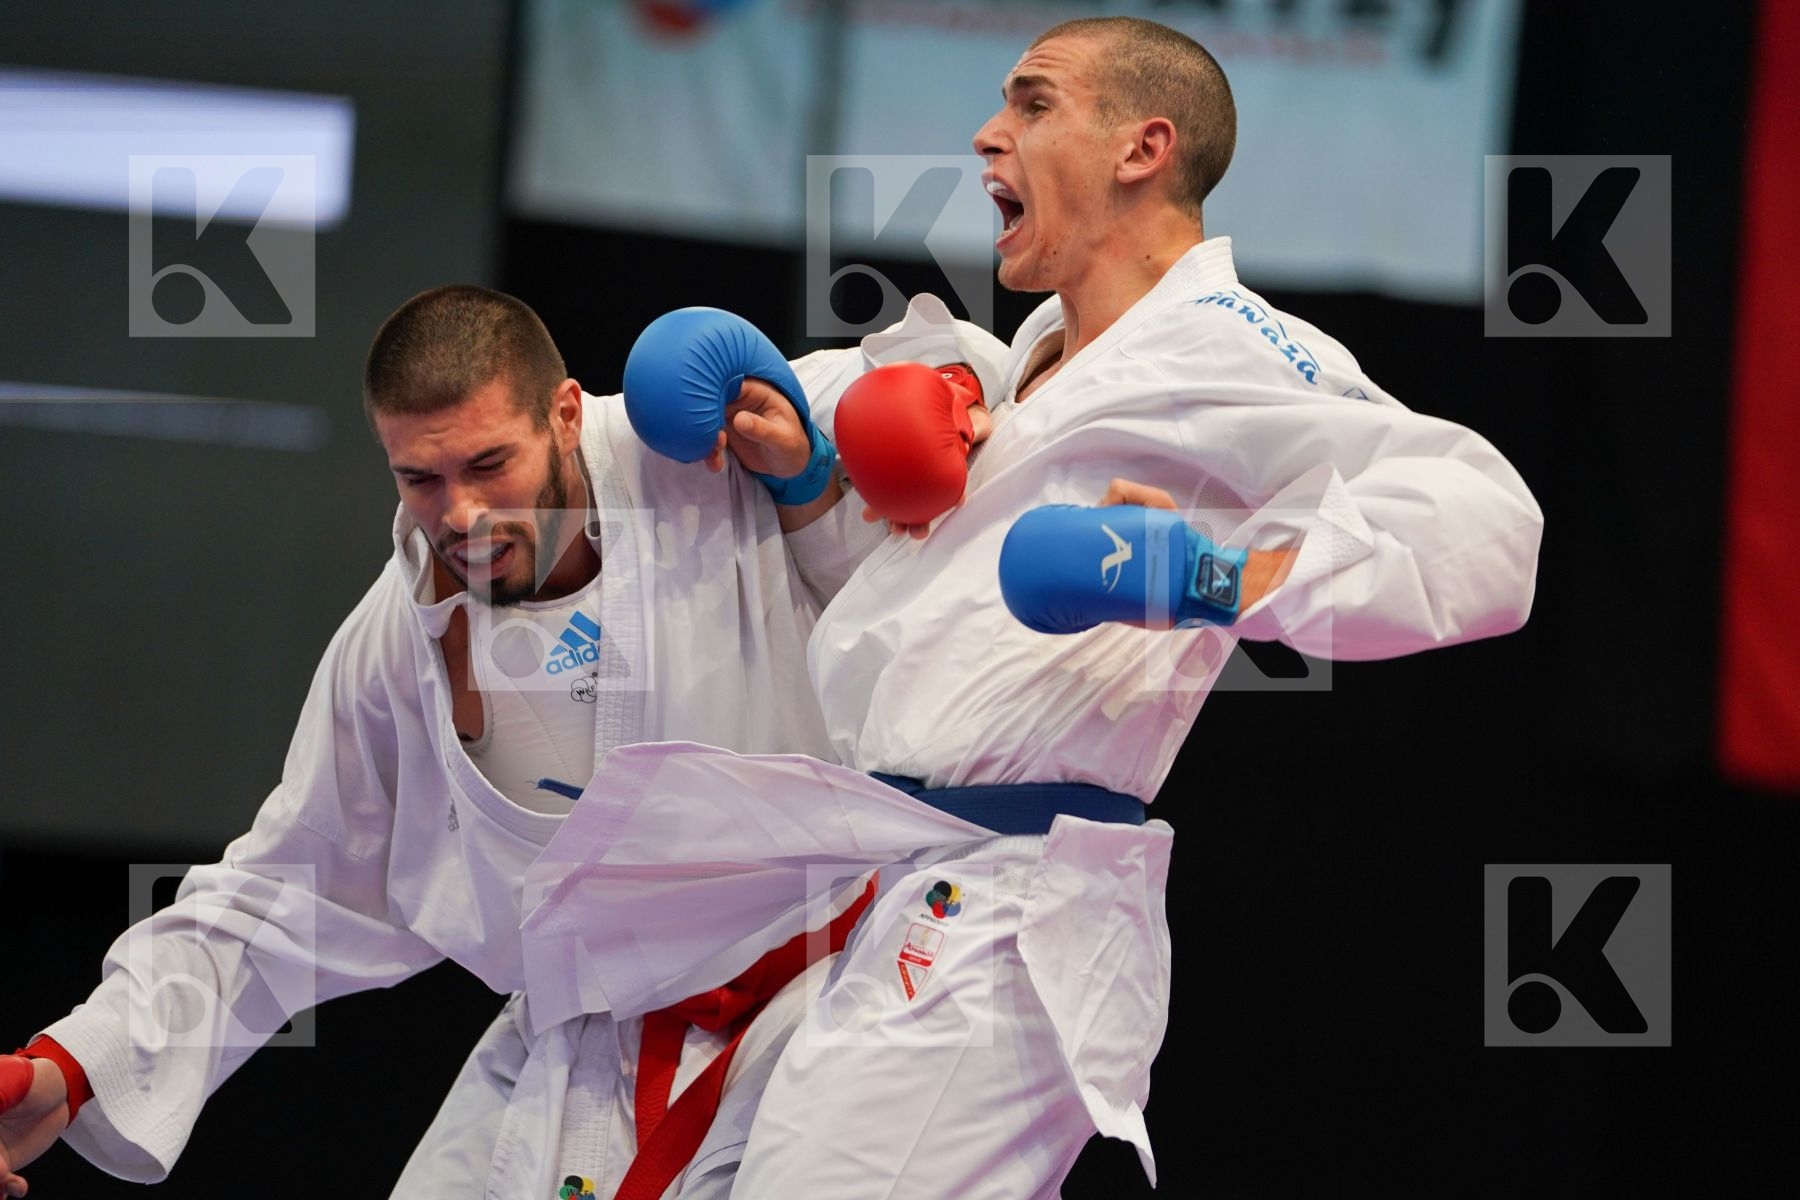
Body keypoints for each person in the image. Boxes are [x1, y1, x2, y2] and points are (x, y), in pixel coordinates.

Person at [519, 14, 1544, 1199]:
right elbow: (933, 656)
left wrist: (1211, 579)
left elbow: (1491, 530)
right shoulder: (1012, 373)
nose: (987, 133)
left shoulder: (1233, 348)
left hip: (1009, 907)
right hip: (886, 880)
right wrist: (807, 487)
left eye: (1033, 103)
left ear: (1142, 148)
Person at [0, 285, 1007, 1199]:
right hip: (588, 1049)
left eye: (490, 463)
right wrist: (78, 1062)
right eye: (421, 479)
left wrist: (821, 471)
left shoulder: (702, 446)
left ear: (567, 413)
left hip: (829, 993)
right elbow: (279, 890)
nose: (464, 513)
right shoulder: (398, 643)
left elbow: (974, 376)